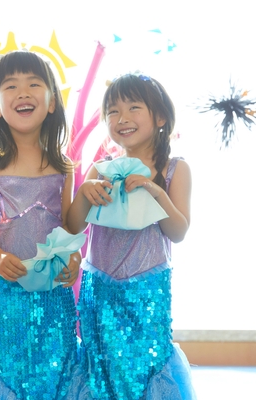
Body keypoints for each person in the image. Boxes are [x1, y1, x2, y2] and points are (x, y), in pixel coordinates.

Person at [0, 51, 90, 400]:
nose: (23, 92)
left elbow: (67, 228)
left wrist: (74, 258)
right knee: (6, 373)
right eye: (11, 86)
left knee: (55, 375)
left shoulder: (63, 166)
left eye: (33, 84)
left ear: (52, 102)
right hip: (3, 297)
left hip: (53, 298)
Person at [67, 73, 197, 399]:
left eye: (133, 108)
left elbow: (178, 232)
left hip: (147, 293)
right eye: (113, 111)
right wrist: (84, 192)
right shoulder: (102, 169)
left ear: (161, 117)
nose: (122, 118)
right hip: (100, 291)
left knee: (144, 370)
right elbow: (73, 227)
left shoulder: (174, 169)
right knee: (100, 371)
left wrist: (156, 191)